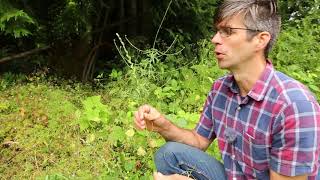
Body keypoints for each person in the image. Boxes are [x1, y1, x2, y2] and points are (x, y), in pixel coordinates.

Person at [134, 0, 320, 179]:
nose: (215, 39)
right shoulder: (220, 89)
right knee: (169, 154)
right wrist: (164, 126)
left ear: (260, 40)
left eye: (227, 32)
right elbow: (198, 142)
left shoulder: (294, 106)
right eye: (217, 31)